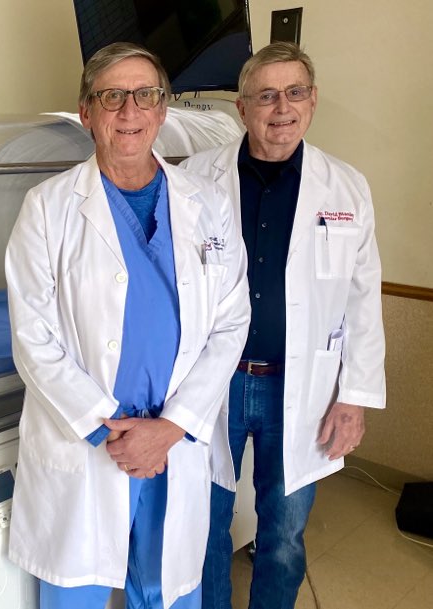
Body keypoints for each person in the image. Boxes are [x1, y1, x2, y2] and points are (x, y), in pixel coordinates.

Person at [5, 42, 251, 609]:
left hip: (173, 440)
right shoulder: (47, 207)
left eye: (145, 96)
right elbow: (33, 338)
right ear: (87, 112)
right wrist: (107, 426)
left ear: (162, 110)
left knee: (167, 590)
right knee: (77, 593)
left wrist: (172, 427)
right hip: (95, 439)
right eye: (112, 97)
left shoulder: (208, 203)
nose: (130, 112)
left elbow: (231, 322)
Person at [181, 42, 386, 609]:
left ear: (313, 102)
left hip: (302, 389)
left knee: (284, 536)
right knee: (203, 524)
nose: (282, 107)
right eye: (266, 95)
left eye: (295, 92)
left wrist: (355, 397)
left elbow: (363, 297)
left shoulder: (346, 187)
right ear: (242, 108)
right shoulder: (195, 180)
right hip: (213, 383)